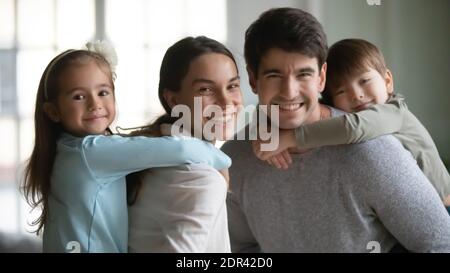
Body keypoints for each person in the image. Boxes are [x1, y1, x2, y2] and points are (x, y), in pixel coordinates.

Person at [222, 8, 450, 252]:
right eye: (274, 75)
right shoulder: (234, 158)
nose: (289, 92)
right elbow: (242, 249)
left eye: (304, 74)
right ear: (253, 79)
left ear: (321, 78)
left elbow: (440, 244)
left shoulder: (372, 149)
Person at [22, 41, 232, 253]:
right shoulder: (91, 152)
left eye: (103, 92)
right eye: (79, 96)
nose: (94, 104)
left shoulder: (66, 150)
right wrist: (220, 161)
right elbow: (180, 149)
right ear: (53, 111)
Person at [253, 38, 450, 207]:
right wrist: (265, 127)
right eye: (341, 91)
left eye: (364, 81)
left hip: (442, 203)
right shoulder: (335, 115)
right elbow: (298, 108)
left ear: (388, 81)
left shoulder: (394, 112)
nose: (356, 95)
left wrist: (290, 138)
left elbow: (354, 127)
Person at [127, 36, 243, 253]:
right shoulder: (201, 178)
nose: (227, 102)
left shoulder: (154, 149)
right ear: (173, 100)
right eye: (205, 90)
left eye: (233, 85)